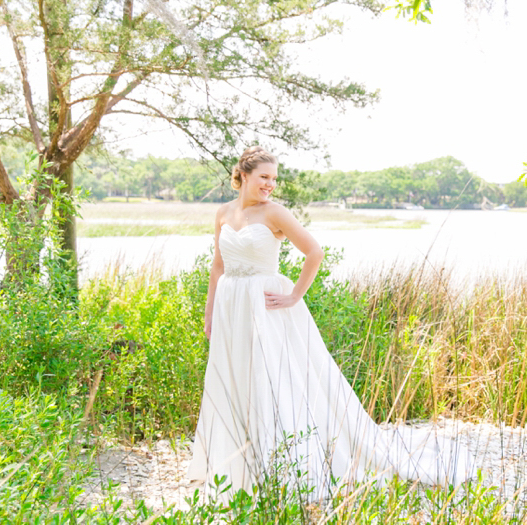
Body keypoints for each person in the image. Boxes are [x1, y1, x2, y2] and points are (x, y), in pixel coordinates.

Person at [186, 146, 475, 505]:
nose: (270, 185)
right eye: (264, 177)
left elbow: (315, 252)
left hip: (266, 306)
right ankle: (232, 461)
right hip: (232, 306)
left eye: (274, 179)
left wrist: (293, 296)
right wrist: (210, 311)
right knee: (233, 376)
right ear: (243, 175)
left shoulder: (274, 212)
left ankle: (275, 463)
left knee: (271, 379)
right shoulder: (223, 213)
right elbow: (218, 266)